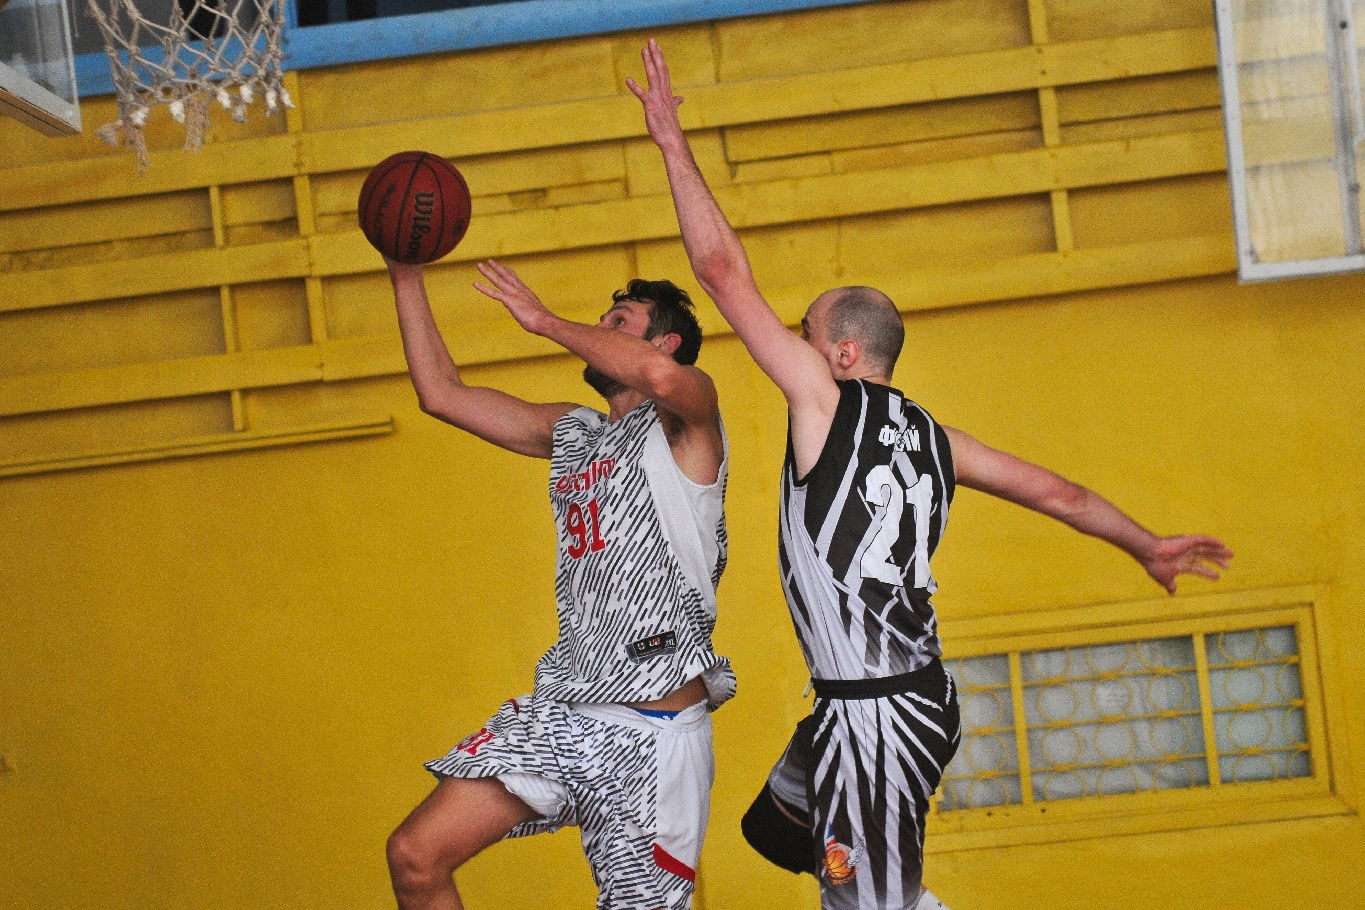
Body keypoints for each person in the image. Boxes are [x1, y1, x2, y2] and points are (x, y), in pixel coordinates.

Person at [627, 38, 1234, 910]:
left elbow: (721, 273)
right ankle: (866, 864)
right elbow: (1058, 494)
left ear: (843, 353)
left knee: (863, 901)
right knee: (776, 830)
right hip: (896, 702)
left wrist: (670, 141)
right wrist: (1144, 545)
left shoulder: (824, 402)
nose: (792, 344)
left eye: (804, 333)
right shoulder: (938, 442)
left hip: (876, 715)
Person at [381, 255, 736, 910]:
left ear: (665, 342)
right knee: (415, 855)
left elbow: (660, 379)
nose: (598, 328)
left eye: (618, 320)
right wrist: (405, 274)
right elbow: (442, 394)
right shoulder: (573, 431)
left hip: (652, 737)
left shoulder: (687, 421)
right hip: (566, 716)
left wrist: (544, 321)